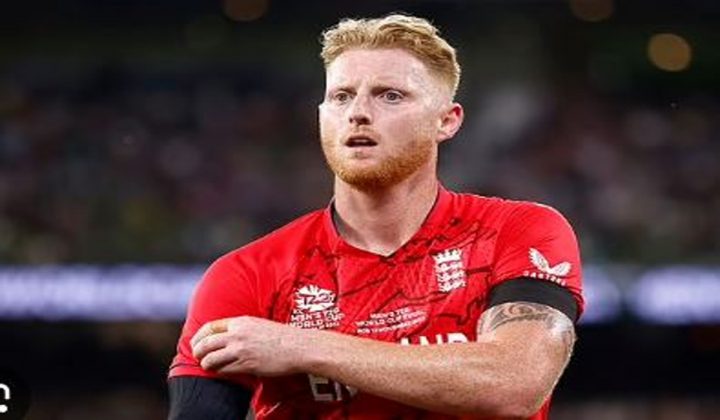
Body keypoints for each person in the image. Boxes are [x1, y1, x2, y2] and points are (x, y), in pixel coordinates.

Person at [168, 13, 584, 420]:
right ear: (321, 114)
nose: (358, 112)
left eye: (390, 95)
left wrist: (301, 347)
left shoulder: (518, 231)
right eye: (341, 96)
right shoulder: (248, 274)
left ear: (447, 121)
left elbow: (513, 383)